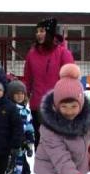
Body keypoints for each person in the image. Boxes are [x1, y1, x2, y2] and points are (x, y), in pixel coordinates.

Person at [22, 17, 75, 155]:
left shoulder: (63, 53)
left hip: (57, 107)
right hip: (37, 105)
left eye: (42, 31)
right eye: (37, 31)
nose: (38, 34)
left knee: (58, 142)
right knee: (40, 141)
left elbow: (71, 78)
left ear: (49, 33)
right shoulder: (32, 54)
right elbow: (27, 78)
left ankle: (58, 173)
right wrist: (24, 96)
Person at [6, 79, 35, 174]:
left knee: (18, 166)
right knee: (9, 166)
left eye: (22, 93)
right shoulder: (8, 109)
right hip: (9, 144)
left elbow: (29, 128)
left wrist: (29, 143)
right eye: (16, 93)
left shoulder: (26, 111)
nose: (19, 96)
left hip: (21, 145)